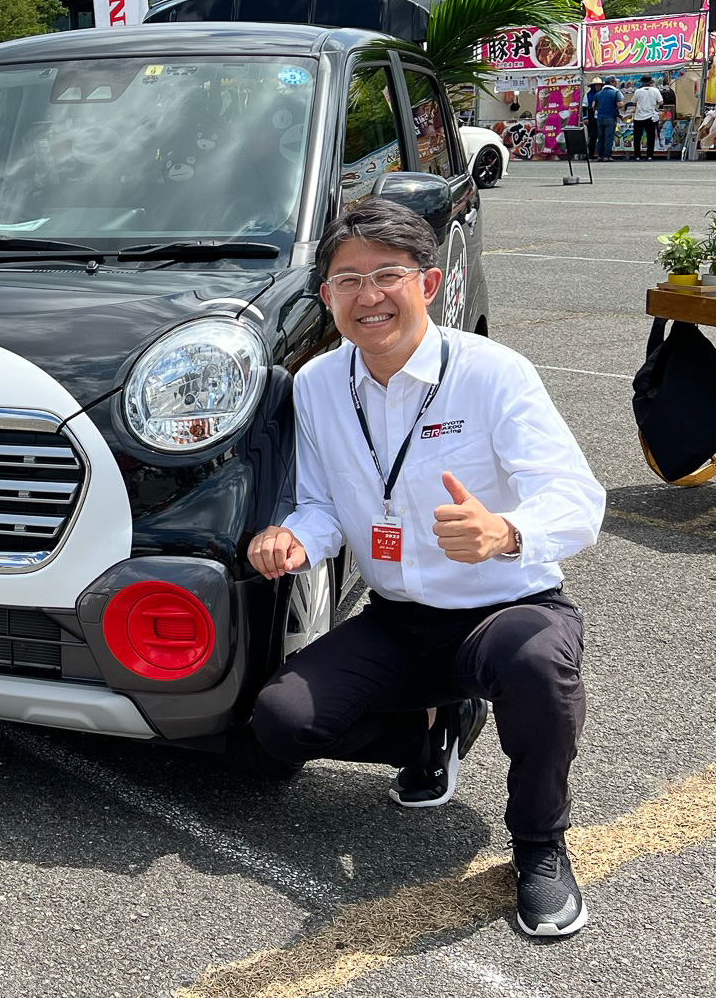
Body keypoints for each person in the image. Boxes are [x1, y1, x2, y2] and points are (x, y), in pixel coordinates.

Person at [244, 199, 605, 938]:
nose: (367, 295)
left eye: (387, 274)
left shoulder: (491, 372)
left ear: (429, 281)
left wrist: (504, 531)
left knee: (537, 666)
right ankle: (430, 733)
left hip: (506, 609)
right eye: (347, 279)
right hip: (399, 621)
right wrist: (292, 539)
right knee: (278, 723)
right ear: (325, 297)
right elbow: (322, 505)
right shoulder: (316, 384)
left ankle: (538, 845)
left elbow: (578, 499)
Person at [630, 75, 663, 161]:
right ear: (651, 82)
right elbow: (661, 101)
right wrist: (655, 105)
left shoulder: (638, 91)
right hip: (651, 116)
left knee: (637, 137)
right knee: (650, 137)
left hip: (638, 117)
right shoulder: (655, 91)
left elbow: (633, 102)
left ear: (642, 82)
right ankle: (649, 155)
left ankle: (637, 155)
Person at [590, 79, 621, 160]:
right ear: (611, 83)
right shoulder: (615, 92)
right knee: (608, 137)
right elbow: (620, 104)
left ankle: (600, 155)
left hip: (599, 118)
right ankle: (607, 156)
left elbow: (593, 106)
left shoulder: (598, 94)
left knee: (600, 137)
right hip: (610, 117)